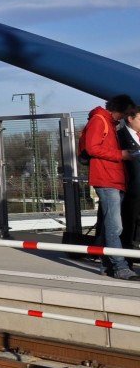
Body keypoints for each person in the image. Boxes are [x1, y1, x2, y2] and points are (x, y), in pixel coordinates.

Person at [81, 94, 137, 280]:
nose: (127, 117)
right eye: (127, 113)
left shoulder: (108, 123)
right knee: (115, 227)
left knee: (109, 225)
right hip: (107, 179)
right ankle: (120, 267)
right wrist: (120, 154)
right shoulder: (100, 121)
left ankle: (107, 265)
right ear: (120, 110)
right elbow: (92, 148)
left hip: (113, 179)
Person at [117, 104, 140, 252]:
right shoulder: (120, 137)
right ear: (130, 119)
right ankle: (128, 255)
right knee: (129, 222)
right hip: (131, 187)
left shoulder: (137, 136)